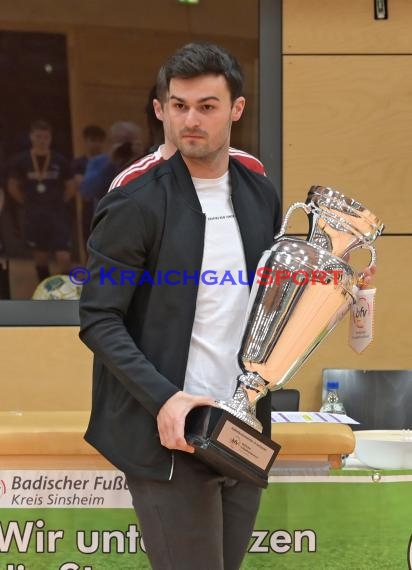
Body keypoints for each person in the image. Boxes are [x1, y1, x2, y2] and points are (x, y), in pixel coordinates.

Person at [79, 43, 375, 570]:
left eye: (207, 106)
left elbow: (274, 305)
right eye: (178, 106)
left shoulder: (259, 193)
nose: (190, 120)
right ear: (160, 110)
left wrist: (337, 286)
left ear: (236, 108)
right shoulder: (135, 202)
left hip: (243, 428)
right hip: (170, 432)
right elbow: (99, 319)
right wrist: (165, 399)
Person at [7, 120, 75, 282]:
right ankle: (45, 290)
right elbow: (12, 186)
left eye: (45, 137)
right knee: (41, 257)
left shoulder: (60, 160)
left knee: (63, 255)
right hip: (34, 215)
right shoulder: (21, 161)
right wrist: (26, 203)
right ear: (31, 137)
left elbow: (71, 186)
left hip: (57, 214)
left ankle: (66, 290)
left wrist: (58, 202)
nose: (42, 140)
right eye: (38, 136)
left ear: (50, 138)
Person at [78, 121, 144, 205]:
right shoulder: (98, 162)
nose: (125, 147)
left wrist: (140, 158)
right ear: (111, 142)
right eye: (121, 142)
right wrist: (110, 164)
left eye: (128, 142)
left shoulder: (149, 161)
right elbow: (87, 191)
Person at [72, 125, 106, 246]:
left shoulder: (109, 162)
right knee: (89, 246)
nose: (96, 144)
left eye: (99, 141)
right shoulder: (78, 163)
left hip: (108, 207)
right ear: (85, 141)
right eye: (92, 140)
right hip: (88, 208)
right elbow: (82, 187)